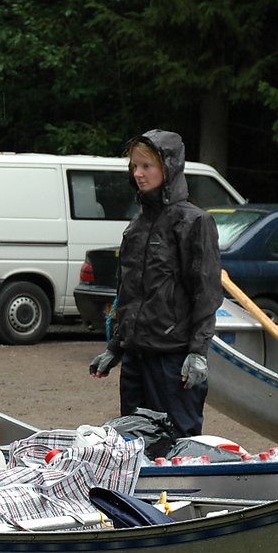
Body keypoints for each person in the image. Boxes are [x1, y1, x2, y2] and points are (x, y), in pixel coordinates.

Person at [89, 129, 222, 436]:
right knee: (133, 445)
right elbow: (129, 294)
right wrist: (116, 348)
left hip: (173, 362)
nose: (138, 173)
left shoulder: (194, 222)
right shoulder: (137, 226)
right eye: (134, 166)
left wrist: (198, 352)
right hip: (137, 358)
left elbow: (207, 293)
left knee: (178, 443)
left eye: (146, 166)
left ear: (169, 166)